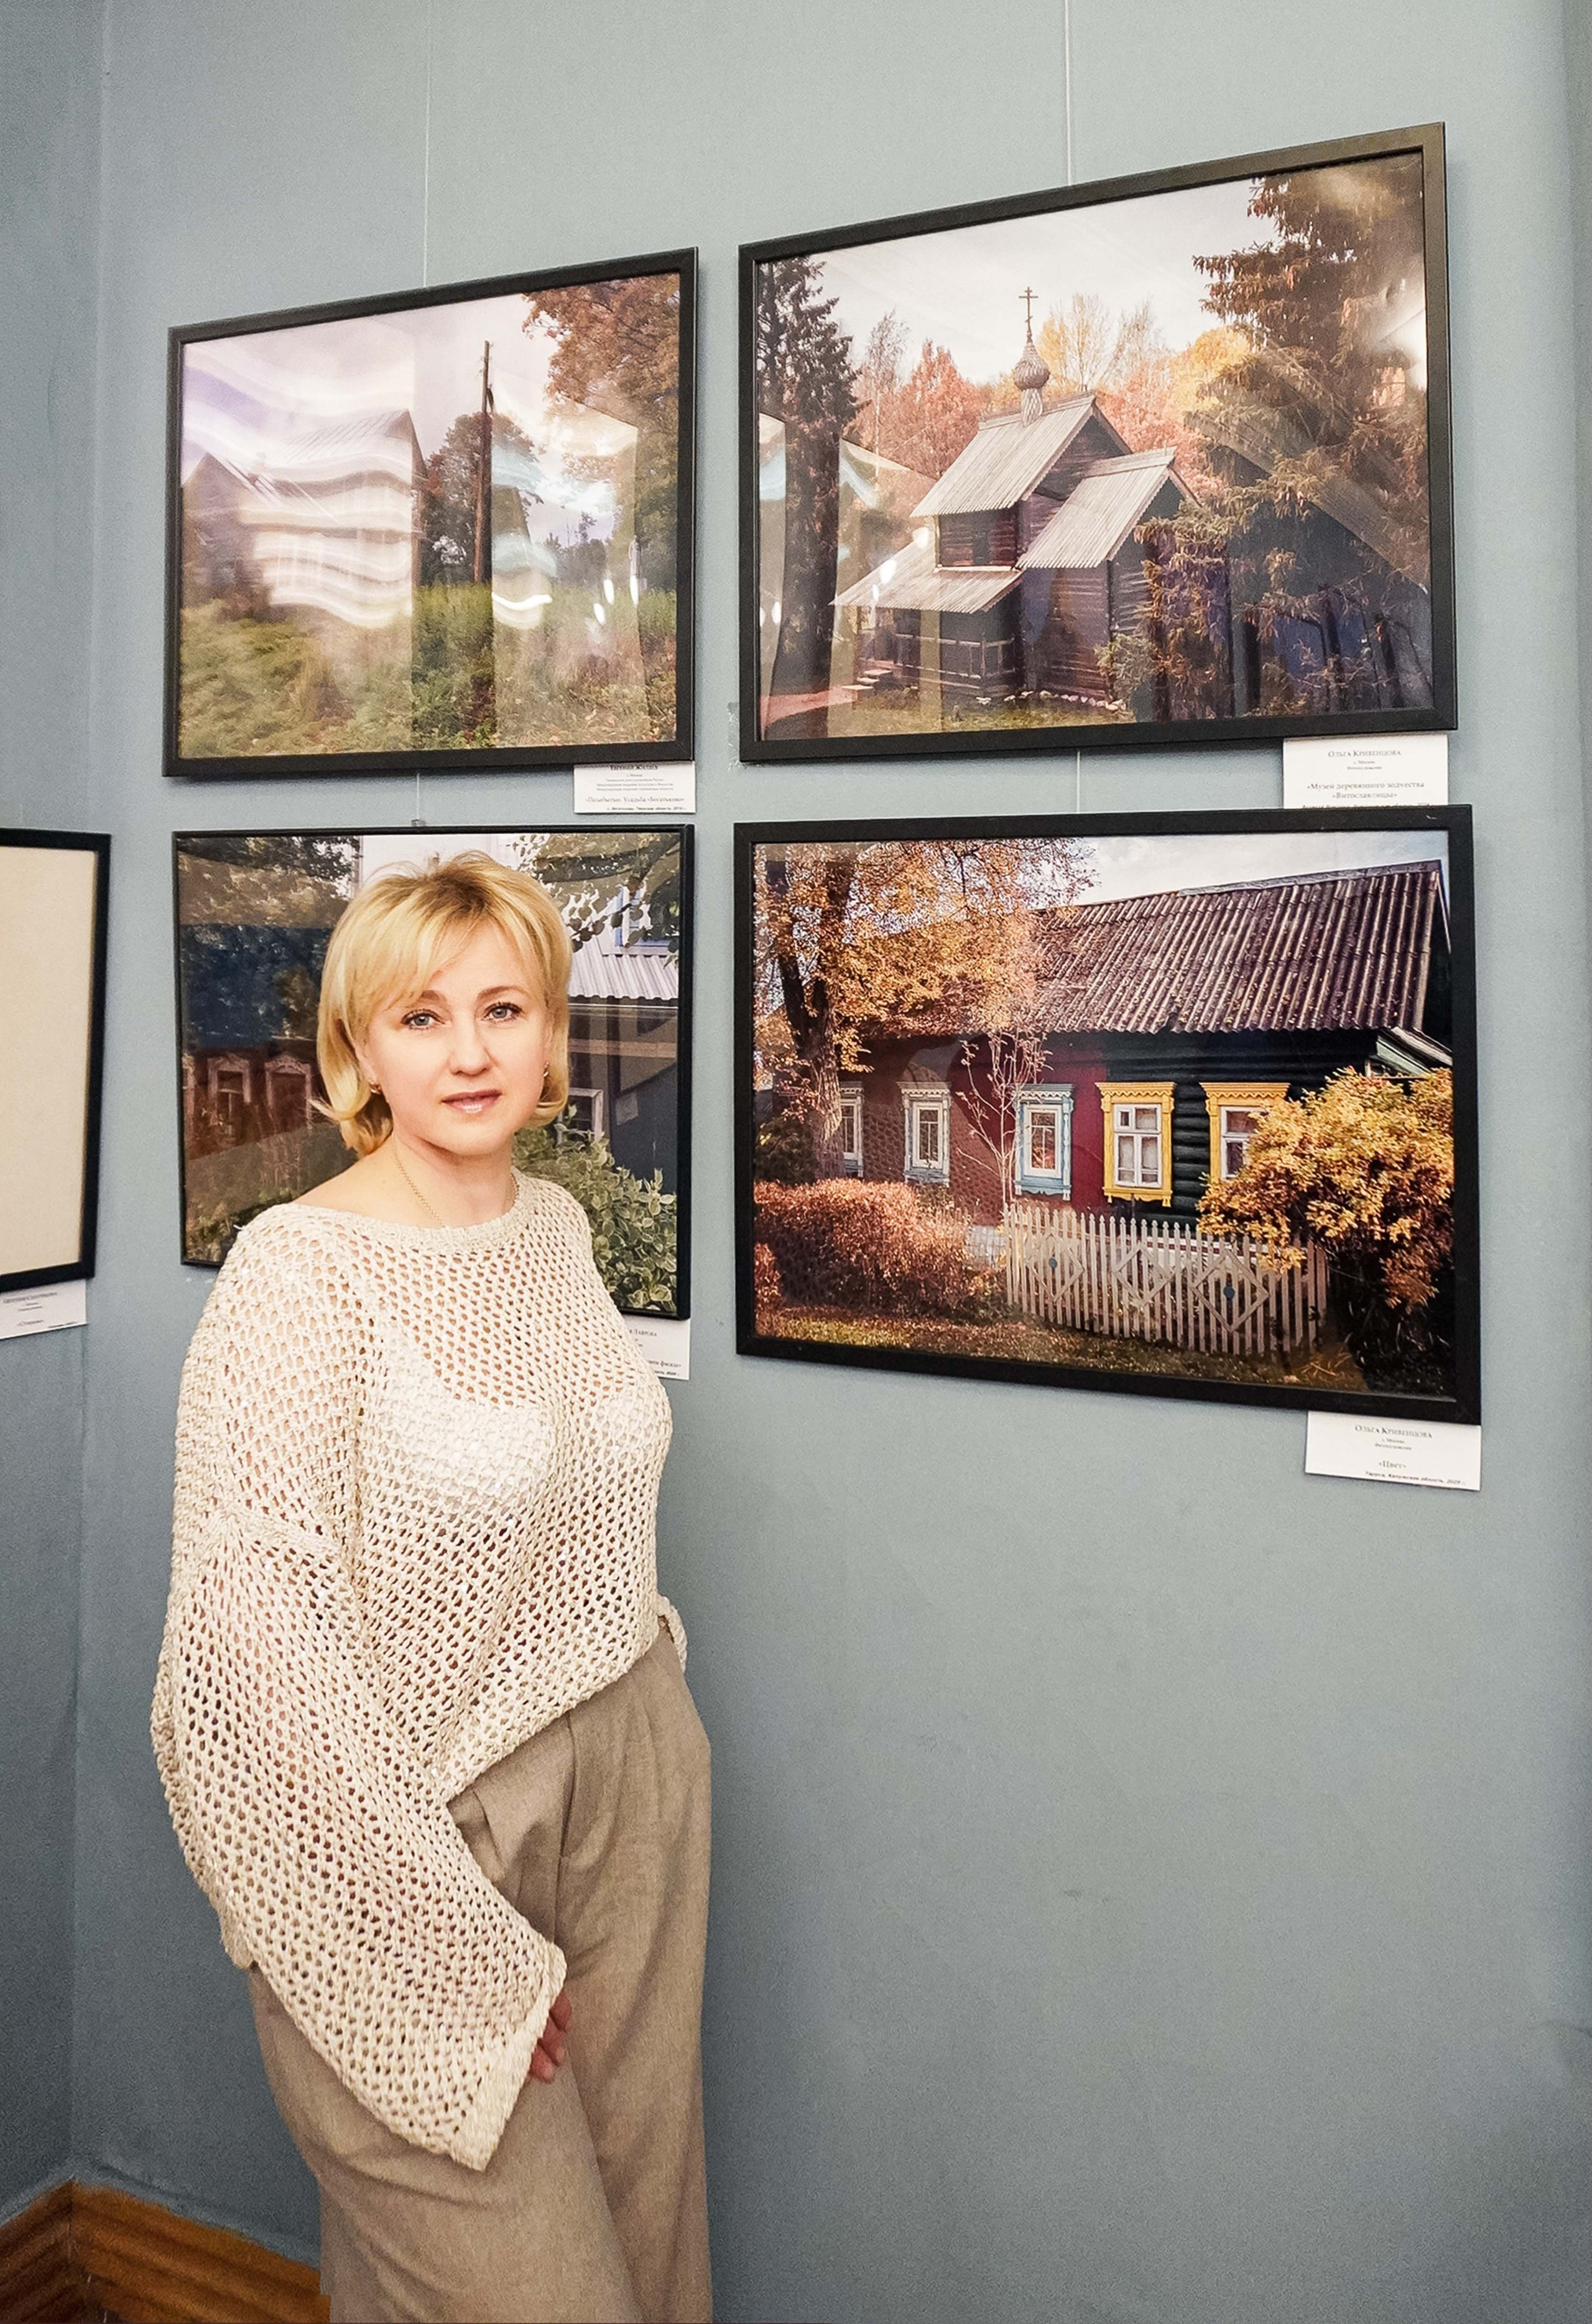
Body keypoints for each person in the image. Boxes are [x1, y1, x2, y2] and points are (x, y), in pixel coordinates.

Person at [151, 853, 711, 2324]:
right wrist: (441, 1944)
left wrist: (646, 1742)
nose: (468, 1052)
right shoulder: (299, 1275)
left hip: (629, 1778)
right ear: (357, 1052)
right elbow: (246, 1667)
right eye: (419, 1017)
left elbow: (577, 1512)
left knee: (647, 2235)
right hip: (412, 1831)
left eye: (502, 1008)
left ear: (549, 1037)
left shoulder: (558, 1230)